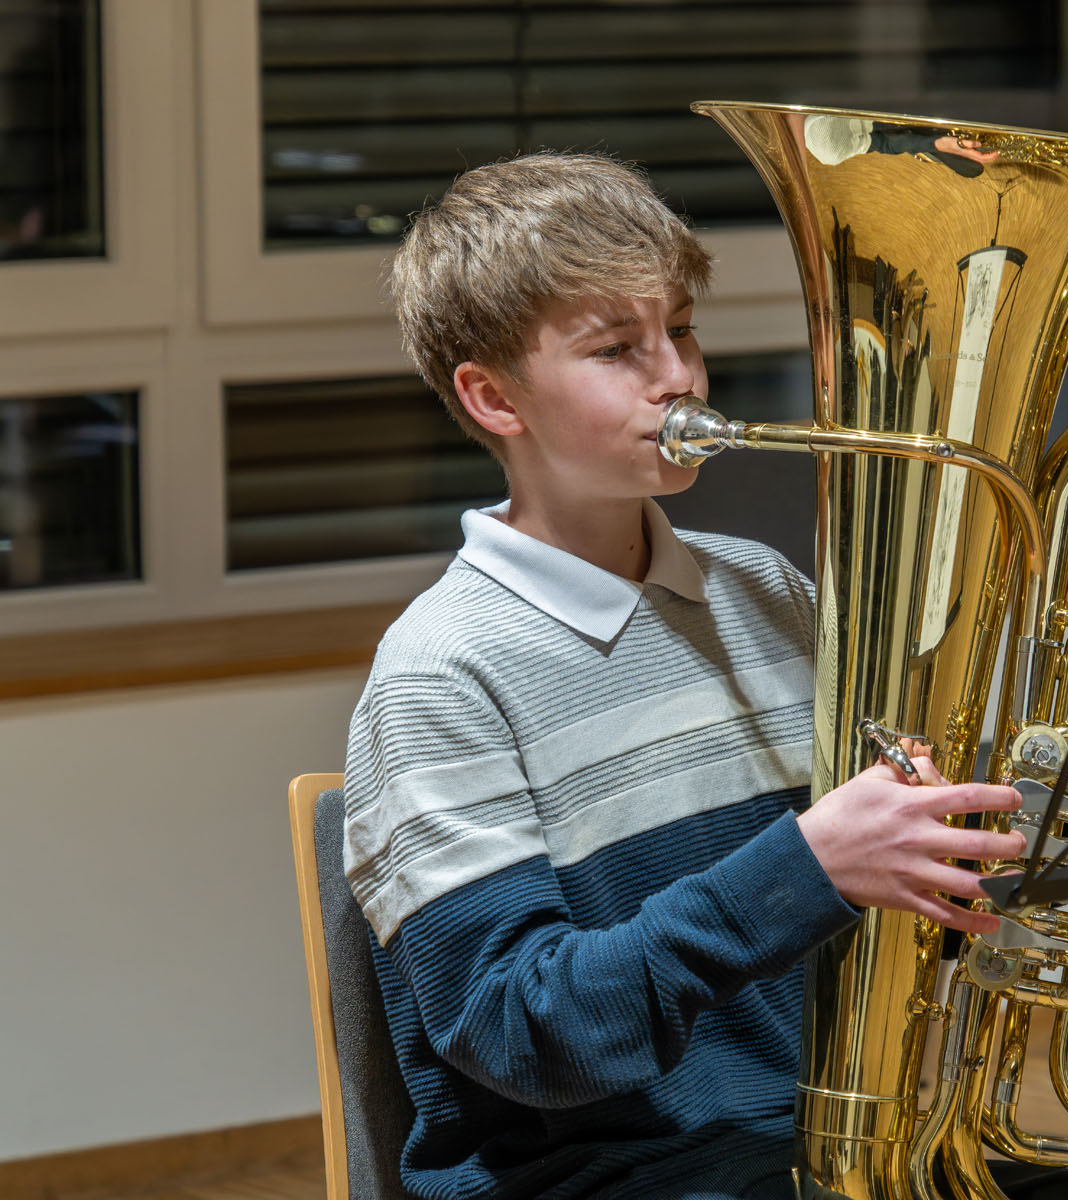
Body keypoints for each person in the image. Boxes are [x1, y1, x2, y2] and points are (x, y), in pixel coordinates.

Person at [343, 151, 1027, 1200]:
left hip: (810, 1147)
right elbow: (524, 1034)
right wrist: (805, 868)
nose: (679, 378)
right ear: (492, 398)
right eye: (618, 348)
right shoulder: (441, 674)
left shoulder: (769, 591)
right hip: (604, 1176)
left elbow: (900, 894)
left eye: (683, 331)